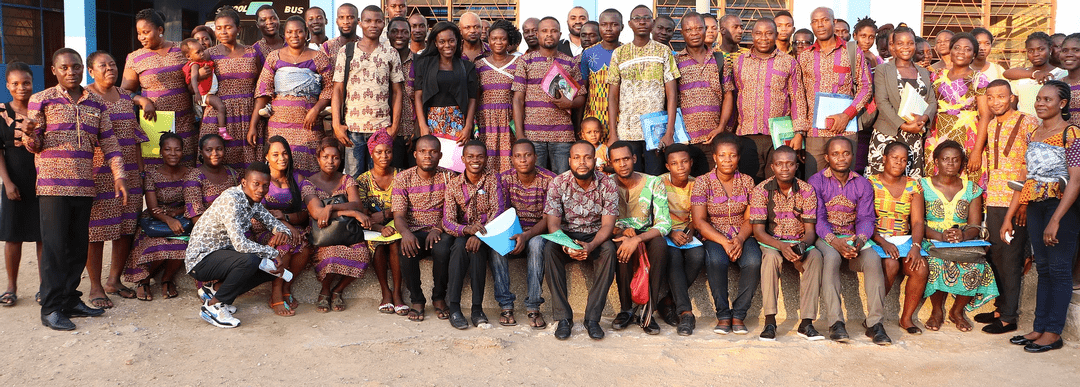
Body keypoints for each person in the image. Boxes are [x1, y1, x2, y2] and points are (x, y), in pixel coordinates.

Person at [26, 48, 129, 331]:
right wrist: (29, 133)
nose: (71, 72)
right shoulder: (41, 100)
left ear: (83, 68)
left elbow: (109, 143)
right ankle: (50, 308)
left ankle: (70, 299)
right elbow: (33, 146)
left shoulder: (96, 103)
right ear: (54, 70)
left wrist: (120, 177)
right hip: (53, 186)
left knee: (77, 247)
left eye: (76, 67)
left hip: (85, 186)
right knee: (56, 249)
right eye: (65, 67)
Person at [1002, 81, 1080, 352]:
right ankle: (1039, 327)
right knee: (1044, 269)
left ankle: (1053, 332)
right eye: (1038, 99)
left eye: (1048, 99)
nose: (1040, 103)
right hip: (1035, 205)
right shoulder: (1034, 133)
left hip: (1061, 208)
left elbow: (1076, 181)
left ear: (1062, 104)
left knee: (1059, 270)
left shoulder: (1071, 134)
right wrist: (1008, 217)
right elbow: (1025, 179)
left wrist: (1057, 219)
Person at [185, 162, 292, 329]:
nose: (261, 190)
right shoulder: (232, 200)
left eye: (265, 186)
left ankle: (215, 289)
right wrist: (271, 251)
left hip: (223, 255)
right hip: (201, 260)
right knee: (249, 261)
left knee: (272, 270)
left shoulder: (253, 202)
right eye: (256, 184)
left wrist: (282, 232)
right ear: (244, 183)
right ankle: (213, 306)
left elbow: (274, 223)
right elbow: (240, 245)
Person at [808, 137, 891, 345]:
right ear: (827, 157)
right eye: (835, 154)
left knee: (873, 259)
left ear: (852, 155)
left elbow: (866, 218)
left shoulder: (862, 184)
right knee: (831, 259)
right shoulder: (816, 182)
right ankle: (836, 323)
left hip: (854, 239)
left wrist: (860, 242)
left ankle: (874, 324)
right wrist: (835, 242)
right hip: (826, 238)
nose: (841, 158)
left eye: (845, 153)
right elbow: (817, 219)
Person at [84, 51, 152, 307]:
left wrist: (142, 172)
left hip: (131, 174)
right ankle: (95, 286)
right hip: (99, 174)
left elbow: (135, 138)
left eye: (113, 64)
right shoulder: (85, 97)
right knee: (97, 231)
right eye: (103, 65)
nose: (109, 69)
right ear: (91, 71)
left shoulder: (125, 97)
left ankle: (114, 280)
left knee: (126, 228)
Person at [977, 80, 1037, 334]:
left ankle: (1009, 318)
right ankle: (1001, 307)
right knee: (996, 255)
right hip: (995, 199)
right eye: (990, 97)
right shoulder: (991, 124)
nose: (995, 102)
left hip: (1017, 201)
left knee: (1011, 258)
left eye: (1001, 96)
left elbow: (1032, 165)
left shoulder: (1028, 121)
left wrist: (1024, 202)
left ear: (1012, 97)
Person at [919, 140, 997, 332]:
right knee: (935, 263)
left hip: (962, 241)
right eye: (945, 159)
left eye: (956, 160)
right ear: (936, 161)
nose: (951, 164)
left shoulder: (972, 189)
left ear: (962, 163)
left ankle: (957, 311)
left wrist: (962, 235)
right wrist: (939, 235)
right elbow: (917, 221)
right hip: (931, 239)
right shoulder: (922, 185)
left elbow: (975, 225)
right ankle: (937, 311)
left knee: (977, 264)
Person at [543, 140, 618, 340]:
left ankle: (592, 318)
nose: (581, 162)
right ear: (569, 161)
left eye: (587, 157)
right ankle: (563, 318)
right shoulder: (558, 183)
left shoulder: (608, 183)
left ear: (594, 160)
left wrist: (591, 245)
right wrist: (568, 246)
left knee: (609, 250)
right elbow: (553, 226)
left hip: (595, 236)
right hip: (566, 236)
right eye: (576, 158)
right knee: (550, 249)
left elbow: (608, 226)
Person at [748, 145, 824, 341]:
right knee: (771, 259)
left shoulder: (807, 190)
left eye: (789, 164)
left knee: (815, 257)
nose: (784, 168)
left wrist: (800, 248)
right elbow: (758, 231)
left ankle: (806, 323)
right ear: (772, 167)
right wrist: (781, 246)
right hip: (772, 241)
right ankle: (770, 321)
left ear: (796, 166)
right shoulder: (761, 190)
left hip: (798, 241)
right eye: (779, 164)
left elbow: (810, 232)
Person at [690, 135, 761, 335]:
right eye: (722, 155)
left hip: (742, 234)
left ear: (739, 158)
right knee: (716, 261)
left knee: (754, 261)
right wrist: (724, 241)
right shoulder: (703, 182)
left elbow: (750, 219)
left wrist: (739, 239)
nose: (727, 160)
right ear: (714, 157)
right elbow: (699, 221)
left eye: (732, 155)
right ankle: (723, 315)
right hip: (714, 235)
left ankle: (738, 314)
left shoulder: (747, 182)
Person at [252, 16, 334, 178]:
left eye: (299, 31)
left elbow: (330, 88)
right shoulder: (274, 57)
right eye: (289, 32)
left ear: (306, 33)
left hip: (309, 124)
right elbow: (263, 91)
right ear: (284, 34)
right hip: (279, 123)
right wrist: (253, 124)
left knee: (309, 166)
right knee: (280, 166)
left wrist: (316, 110)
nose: (294, 35)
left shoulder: (319, 58)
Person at [794, 7, 872, 176]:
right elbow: (798, 96)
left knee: (845, 182)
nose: (820, 25)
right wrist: (800, 132)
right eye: (815, 22)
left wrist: (847, 115)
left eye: (824, 20)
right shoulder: (805, 56)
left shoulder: (851, 51)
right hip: (814, 132)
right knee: (814, 182)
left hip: (846, 129)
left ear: (834, 22)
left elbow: (866, 87)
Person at [443, 141, 512, 329]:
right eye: (471, 157)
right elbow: (447, 221)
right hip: (463, 231)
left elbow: (498, 211)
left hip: (487, 232)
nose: (475, 160)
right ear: (463, 159)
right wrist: (466, 230)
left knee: (477, 251)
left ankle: (476, 309)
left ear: (486, 159)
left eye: (480, 156)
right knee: (458, 247)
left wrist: (480, 235)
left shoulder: (493, 179)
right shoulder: (454, 184)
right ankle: (455, 308)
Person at [330, 5, 404, 178]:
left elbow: (398, 92)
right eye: (368, 21)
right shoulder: (347, 51)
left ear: (383, 24)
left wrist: (394, 127)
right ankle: (355, 207)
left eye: (378, 21)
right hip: (352, 128)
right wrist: (336, 124)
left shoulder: (390, 53)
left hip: (381, 128)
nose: (373, 25)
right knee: (353, 177)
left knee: (379, 176)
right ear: (360, 23)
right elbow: (338, 90)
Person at [301, 137, 372, 313]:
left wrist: (331, 206)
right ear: (318, 159)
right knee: (331, 254)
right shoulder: (308, 183)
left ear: (340, 159)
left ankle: (337, 290)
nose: (330, 162)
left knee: (363, 254)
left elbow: (357, 205)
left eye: (335, 157)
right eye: (325, 157)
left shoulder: (347, 180)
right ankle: (325, 290)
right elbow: (317, 213)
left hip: (347, 232)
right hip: (323, 233)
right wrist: (351, 212)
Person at [605, 141, 670, 334]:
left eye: (626, 158)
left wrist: (638, 239)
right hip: (618, 232)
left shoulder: (653, 182)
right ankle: (626, 309)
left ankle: (648, 309)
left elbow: (664, 223)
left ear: (634, 159)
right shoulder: (605, 184)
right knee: (620, 246)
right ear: (611, 162)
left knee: (659, 245)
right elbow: (599, 222)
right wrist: (621, 232)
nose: (622, 164)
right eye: (617, 160)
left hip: (645, 233)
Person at [607, 5, 679, 175]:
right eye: (637, 18)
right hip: (627, 130)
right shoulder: (619, 53)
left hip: (656, 132)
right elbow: (612, 97)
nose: (642, 22)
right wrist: (613, 134)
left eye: (646, 18)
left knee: (654, 179)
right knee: (630, 180)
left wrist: (669, 132)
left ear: (652, 23)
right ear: (630, 24)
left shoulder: (663, 51)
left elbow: (672, 94)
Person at [392, 135, 456, 322]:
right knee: (405, 248)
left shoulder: (449, 177)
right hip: (414, 230)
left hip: (440, 230)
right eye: (422, 152)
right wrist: (406, 233)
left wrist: (438, 228)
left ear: (440, 155)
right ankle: (417, 300)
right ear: (415, 154)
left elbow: (454, 212)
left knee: (443, 248)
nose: (427, 156)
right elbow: (398, 216)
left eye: (433, 152)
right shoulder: (404, 178)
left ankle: (438, 297)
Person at [868, 141, 929, 335]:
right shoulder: (870, 183)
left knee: (920, 267)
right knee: (891, 265)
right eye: (894, 158)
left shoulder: (913, 185)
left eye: (903, 160)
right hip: (876, 237)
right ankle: (874, 316)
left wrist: (916, 246)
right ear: (884, 158)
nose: (899, 163)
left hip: (904, 239)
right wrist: (883, 241)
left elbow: (918, 222)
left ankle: (906, 318)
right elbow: (864, 219)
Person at [732, 17, 804, 181]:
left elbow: (798, 98)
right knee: (750, 183)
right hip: (747, 135)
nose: (763, 38)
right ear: (752, 35)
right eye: (758, 33)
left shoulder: (789, 62)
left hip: (779, 136)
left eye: (768, 33)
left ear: (776, 35)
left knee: (777, 184)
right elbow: (734, 97)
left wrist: (799, 133)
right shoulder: (739, 63)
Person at [121, 9, 196, 164]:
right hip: (155, 123)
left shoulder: (181, 50)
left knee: (185, 167)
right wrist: (142, 101)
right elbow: (125, 92)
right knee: (156, 168)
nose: (141, 37)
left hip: (184, 123)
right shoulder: (135, 58)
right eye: (139, 33)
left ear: (160, 30)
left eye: (146, 32)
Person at [512, 17, 583, 174]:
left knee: (562, 181)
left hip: (563, 135)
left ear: (560, 34)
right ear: (537, 34)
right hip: (533, 134)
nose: (549, 34)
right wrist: (520, 135)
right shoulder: (525, 61)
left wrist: (569, 104)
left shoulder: (570, 63)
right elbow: (517, 99)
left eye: (553, 31)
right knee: (536, 180)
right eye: (544, 31)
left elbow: (582, 96)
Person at [125, 133, 189, 301]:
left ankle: (167, 279)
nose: (173, 154)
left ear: (183, 152)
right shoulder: (152, 174)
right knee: (156, 244)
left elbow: (193, 201)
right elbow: (153, 209)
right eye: (168, 149)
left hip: (182, 217)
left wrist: (177, 213)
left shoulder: (190, 173)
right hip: (156, 220)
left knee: (181, 244)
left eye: (177, 150)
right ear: (161, 152)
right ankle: (144, 280)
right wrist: (169, 219)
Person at [866, 26, 936, 178]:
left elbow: (932, 101)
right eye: (900, 43)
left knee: (910, 184)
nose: (906, 47)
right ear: (893, 46)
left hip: (914, 135)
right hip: (887, 135)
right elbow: (882, 102)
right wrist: (903, 125)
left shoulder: (924, 72)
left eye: (910, 43)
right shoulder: (882, 70)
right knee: (881, 184)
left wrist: (923, 119)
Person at [501, 139, 556, 328]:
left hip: (539, 232)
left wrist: (527, 235)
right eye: (518, 156)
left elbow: (550, 218)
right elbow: (502, 213)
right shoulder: (504, 179)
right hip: (513, 231)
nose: (523, 160)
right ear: (512, 160)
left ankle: (533, 306)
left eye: (527, 155)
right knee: (496, 245)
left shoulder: (550, 180)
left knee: (536, 243)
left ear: (536, 157)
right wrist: (516, 235)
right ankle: (506, 305)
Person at [255, 136, 312, 317]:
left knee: (304, 247)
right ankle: (276, 293)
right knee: (284, 245)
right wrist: (285, 226)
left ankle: (287, 286)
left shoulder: (297, 178)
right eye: (276, 154)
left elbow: (306, 212)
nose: (282, 158)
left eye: (285, 153)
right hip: (263, 229)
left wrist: (286, 220)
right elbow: (261, 213)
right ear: (266, 157)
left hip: (290, 227)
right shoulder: (262, 179)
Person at [0, 62, 41, 307]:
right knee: (13, 236)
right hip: (14, 181)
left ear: (32, 83)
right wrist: (7, 182)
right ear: (7, 86)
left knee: (42, 236)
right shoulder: (2, 112)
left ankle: (43, 287)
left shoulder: (40, 111)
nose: (21, 87)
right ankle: (11, 287)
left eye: (26, 82)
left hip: (41, 180)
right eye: (15, 84)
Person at [203, 7, 263, 169]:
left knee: (250, 164)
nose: (223, 32)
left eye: (228, 27)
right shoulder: (209, 53)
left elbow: (260, 86)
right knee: (219, 161)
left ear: (239, 29)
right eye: (219, 28)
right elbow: (195, 88)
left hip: (248, 114)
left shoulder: (252, 53)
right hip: (220, 116)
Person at [675, 12, 733, 177]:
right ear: (682, 33)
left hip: (713, 139)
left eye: (699, 28)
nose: (694, 33)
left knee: (712, 188)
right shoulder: (675, 61)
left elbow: (728, 94)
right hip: (685, 140)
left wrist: (721, 127)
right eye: (689, 29)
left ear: (705, 30)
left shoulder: (719, 59)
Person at [926, 32, 990, 179]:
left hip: (967, 136)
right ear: (951, 50)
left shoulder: (978, 78)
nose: (961, 52)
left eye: (967, 49)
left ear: (974, 54)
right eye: (957, 47)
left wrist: (977, 151)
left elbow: (985, 115)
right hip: (938, 133)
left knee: (968, 181)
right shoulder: (936, 76)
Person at [357, 131, 405, 315]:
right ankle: (386, 291)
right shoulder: (363, 180)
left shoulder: (401, 175)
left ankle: (398, 293)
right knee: (376, 245)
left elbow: (408, 204)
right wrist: (378, 227)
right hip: (373, 228)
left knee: (395, 244)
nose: (384, 156)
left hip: (399, 222)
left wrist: (386, 214)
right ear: (371, 153)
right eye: (378, 152)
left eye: (388, 152)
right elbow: (362, 213)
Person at [661, 144, 705, 335]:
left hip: (688, 233)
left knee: (697, 255)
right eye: (674, 163)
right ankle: (686, 312)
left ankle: (668, 300)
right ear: (667, 166)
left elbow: (699, 216)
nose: (680, 167)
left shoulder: (697, 184)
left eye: (684, 162)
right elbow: (654, 215)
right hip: (665, 232)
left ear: (691, 163)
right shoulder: (659, 183)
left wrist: (690, 232)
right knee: (674, 257)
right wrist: (670, 232)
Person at [414, 22, 478, 146]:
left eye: (451, 41)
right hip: (431, 121)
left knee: (455, 162)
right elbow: (418, 96)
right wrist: (422, 125)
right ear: (436, 43)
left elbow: (472, 98)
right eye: (442, 42)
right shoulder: (424, 64)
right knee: (432, 160)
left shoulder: (468, 67)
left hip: (458, 122)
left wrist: (468, 126)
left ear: (457, 41)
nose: (447, 45)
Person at [475, 20, 522, 173]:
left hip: (510, 119)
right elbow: (475, 96)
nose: (498, 42)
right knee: (487, 161)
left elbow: (520, 96)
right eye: (494, 38)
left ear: (509, 40)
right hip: (486, 121)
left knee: (509, 163)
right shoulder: (479, 65)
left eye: (502, 38)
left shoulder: (519, 62)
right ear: (488, 40)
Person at [579, 9, 623, 134]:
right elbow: (583, 90)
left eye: (614, 24)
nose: (608, 29)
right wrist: (579, 125)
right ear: (599, 27)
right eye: (604, 25)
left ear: (622, 27)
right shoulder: (589, 53)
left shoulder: (626, 52)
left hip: (622, 119)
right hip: (594, 117)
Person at [1003, 32, 1065, 117]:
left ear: (1050, 50)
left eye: (1041, 49)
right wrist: (1034, 74)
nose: (1036, 54)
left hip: (1050, 128)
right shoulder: (1022, 75)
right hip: (1024, 127)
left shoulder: (1061, 74)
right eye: (1031, 51)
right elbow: (1006, 73)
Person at [184, 134, 240, 226]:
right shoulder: (194, 178)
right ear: (201, 153)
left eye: (219, 149)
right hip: (210, 232)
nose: (215, 153)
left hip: (236, 227)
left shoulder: (232, 173)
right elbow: (196, 217)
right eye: (209, 150)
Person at [181, 39, 230, 141]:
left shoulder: (202, 62)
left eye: (202, 50)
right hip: (204, 94)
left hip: (207, 92)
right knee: (220, 107)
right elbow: (194, 79)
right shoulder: (194, 65)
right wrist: (197, 93)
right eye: (198, 52)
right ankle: (222, 131)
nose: (202, 54)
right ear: (188, 56)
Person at [388, 17, 419, 169]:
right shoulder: (382, 62)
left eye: (404, 32)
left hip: (414, 133)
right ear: (387, 34)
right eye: (395, 31)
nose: (399, 35)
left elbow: (424, 99)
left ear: (410, 34)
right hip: (388, 134)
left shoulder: (420, 62)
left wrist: (418, 131)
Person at [1061, 34, 1080, 127]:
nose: (1069, 54)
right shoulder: (1058, 84)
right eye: (1064, 50)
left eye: (1076, 50)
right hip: (1063, 139)